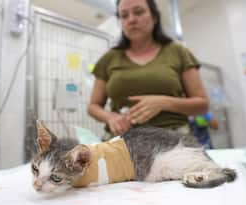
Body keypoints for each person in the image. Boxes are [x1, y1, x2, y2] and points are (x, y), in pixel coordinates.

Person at [88, 0, 209, 140]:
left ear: (155, 17)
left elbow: (202, 105)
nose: (131, 19)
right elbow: (93, 106)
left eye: (138, 12)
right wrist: (110, 117)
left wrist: (164, 102)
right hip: (121, 141)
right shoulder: (109, 58)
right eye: (124, 15)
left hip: (173, 140)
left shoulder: (178, 52)